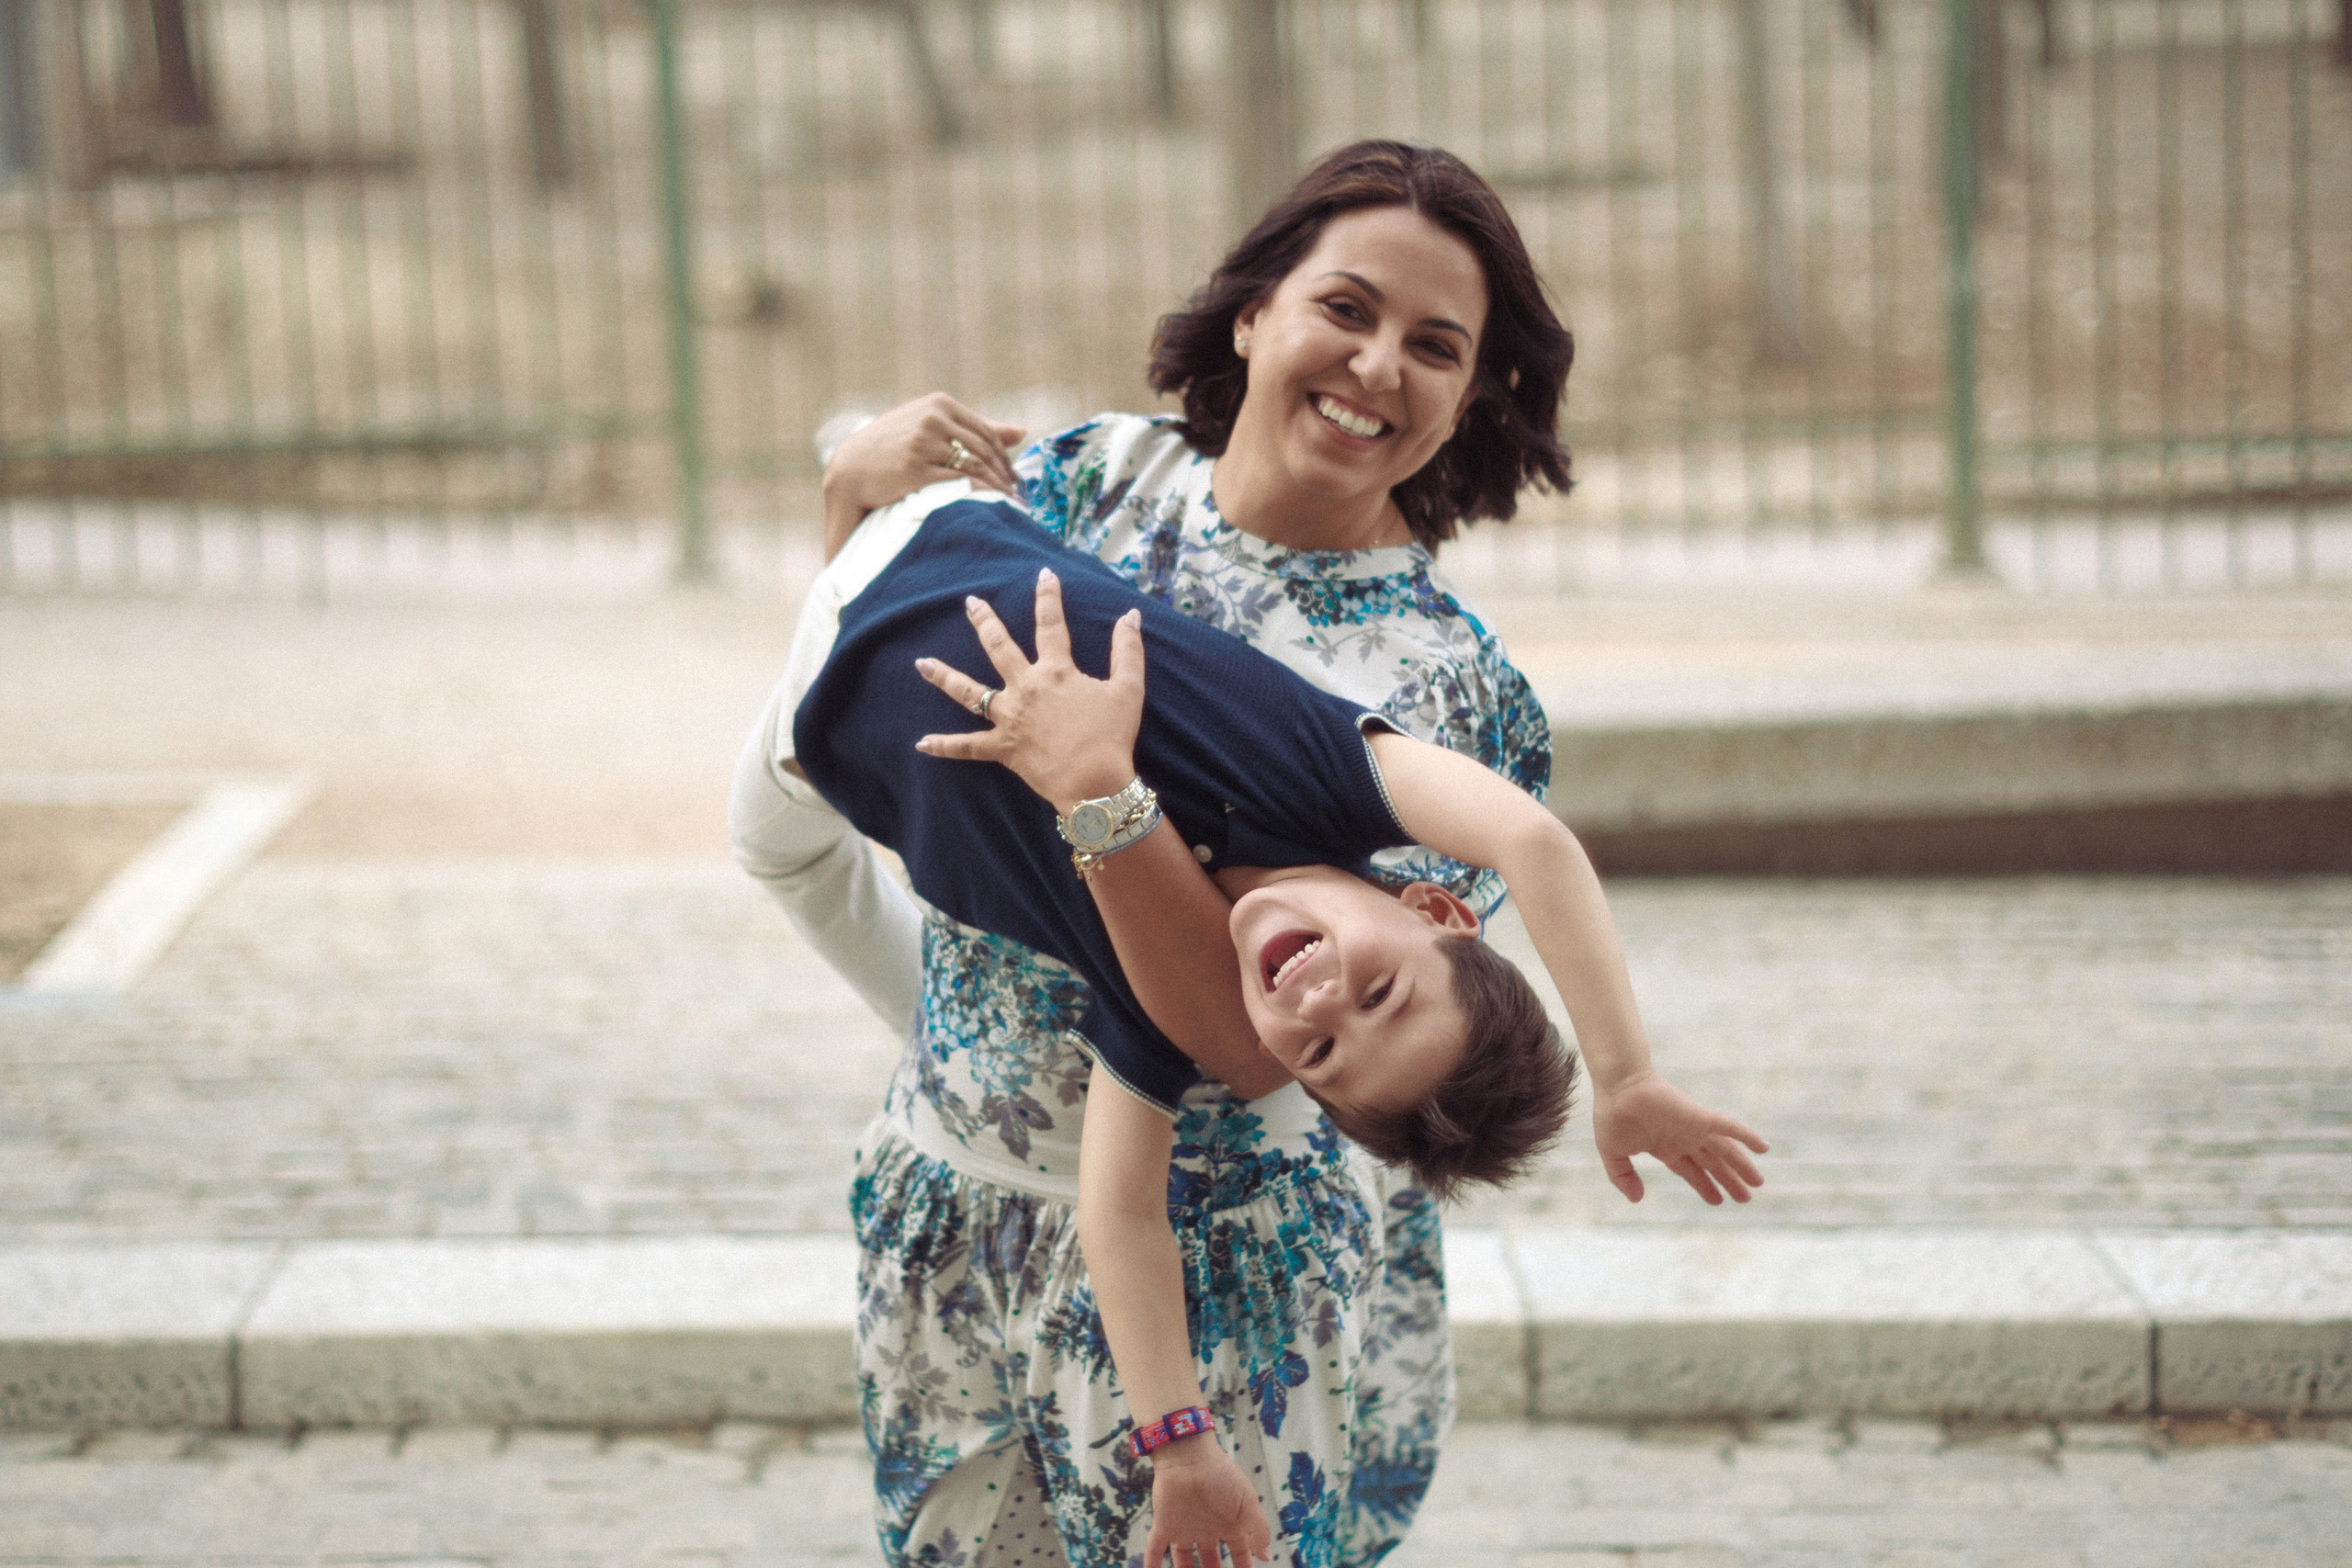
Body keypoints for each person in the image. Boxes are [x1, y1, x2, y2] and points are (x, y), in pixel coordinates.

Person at [733, 139, 1765, 1567]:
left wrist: (1628, 1071)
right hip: (956, 1214)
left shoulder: (1451, 691)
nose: (1379, 366)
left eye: (1437, 346)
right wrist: (847, 492)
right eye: (1346, 309)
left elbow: (1248, 1035)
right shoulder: (1081, 478)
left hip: (1212, 1282)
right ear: (1255, 313)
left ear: (1473, 397)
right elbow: (881, 674)